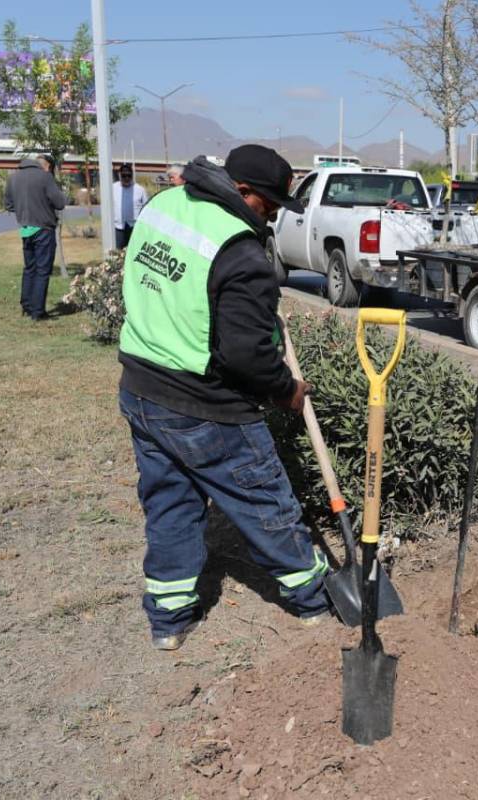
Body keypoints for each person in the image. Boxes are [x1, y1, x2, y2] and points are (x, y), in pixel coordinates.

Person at [117, 145, 329, 651]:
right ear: (242, 191)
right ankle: (314, 598)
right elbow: (246, 358)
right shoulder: (238, 249)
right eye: (271, 203)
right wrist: (288, 391)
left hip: (142, 387)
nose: (275, 213)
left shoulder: (164, 206)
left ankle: (168, 619)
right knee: (263, 499)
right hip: (205, 405)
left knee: (169, 503)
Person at [4, 154, 66, 321]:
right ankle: (38, 311)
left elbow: (9, 205)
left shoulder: (13, 178)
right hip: (43, 229)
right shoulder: (45, 177)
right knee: (42, 270)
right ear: (46, 166)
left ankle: (27, 305)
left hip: (25, 229)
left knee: (29, 268)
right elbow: (60, 202)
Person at [112, 164, 148, 250]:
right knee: (117, 252)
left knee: (135, 251)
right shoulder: (112, 188)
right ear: (119, 175)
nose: (127, 178)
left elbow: (146, 208)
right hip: (118, 227)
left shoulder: (140, 189)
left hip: (134, 227)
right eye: (124, 175)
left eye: (129, 175)